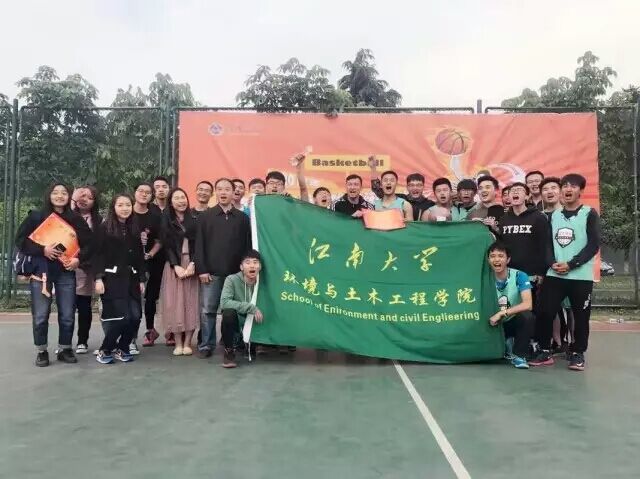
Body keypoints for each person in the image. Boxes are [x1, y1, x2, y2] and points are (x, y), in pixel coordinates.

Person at [530, 174, 601, 371]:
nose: (568, 189)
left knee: (580, 316)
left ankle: (578, 353)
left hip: (580, 276)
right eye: (565, 186)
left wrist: (572, 264)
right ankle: (545, 350)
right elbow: (547, 244)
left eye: (573, 186)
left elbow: (593, 244)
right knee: (545, 312)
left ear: (581, 191)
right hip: (555, 274)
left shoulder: (589, 213)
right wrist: (551, 263)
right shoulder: (553, 216)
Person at [15, 183, 92, 367]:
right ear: (49, 195)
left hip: (66, 272)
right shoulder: (36, 216)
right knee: (41, 315)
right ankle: (41, 351)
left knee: (67, 314)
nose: (59, 196)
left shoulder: (75, 219)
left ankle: (65, 348)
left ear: (69, 196)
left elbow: (90, 244)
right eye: (55, 193)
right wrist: (43, 250)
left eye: (64, 193)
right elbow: (21, 240)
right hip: (41, 273)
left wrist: (78, 260)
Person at [195, 178, 251, 358]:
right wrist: (202, 270)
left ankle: (234, 343)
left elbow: (247, 246)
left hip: (235, 274)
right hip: (211, 273)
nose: (223, 192)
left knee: (235, 310)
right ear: (215, 193)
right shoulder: (206, 216)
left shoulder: (242, 218)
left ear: (234, 192)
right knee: (208, 310)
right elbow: (199, 246)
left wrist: (245, 270)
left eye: (227, 189)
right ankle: (206, 345)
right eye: (219, 189)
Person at [93, 194, 146, 365]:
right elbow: (97, 255)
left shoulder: (134, 228)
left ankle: (122, 348)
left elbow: (139, 257)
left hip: (132, 280)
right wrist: (98, 278)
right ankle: (105, 349)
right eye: (120, 205)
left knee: (135, 316)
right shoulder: (104, 228)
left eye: (128, 205)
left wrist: (141, 279)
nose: (125, 208)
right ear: (113, 207)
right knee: (120, 318)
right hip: (112, 280)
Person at [160, 188, 199, 356]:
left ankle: (188, 342)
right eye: (176, 198)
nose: (181, 201)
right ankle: (177, 343)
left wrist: (193, 263)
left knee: (190, 302)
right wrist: (175, 265)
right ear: (171, 202)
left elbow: (199, 244)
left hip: (191, 265)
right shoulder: (166, 220)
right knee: (174, 303)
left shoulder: (195, 219)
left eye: (183, 197)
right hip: (173, 265)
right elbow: (166, 245)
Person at [499, 182, 552, 296]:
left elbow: (545, 246)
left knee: (530, 306)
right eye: (512, 191)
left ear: (527, 196)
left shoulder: (538, 217)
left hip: (532, 274)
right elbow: (501, 246)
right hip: (510, 273)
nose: (515, 192)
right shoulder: (503, 220)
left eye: (519, 190)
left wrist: (541, 272)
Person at [487, 242, 534, 369]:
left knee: (527, 316)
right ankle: (506, 344)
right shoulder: (484, 277)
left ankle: (520, 355)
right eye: (492, 256)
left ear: (508, 260)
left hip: (510, 320)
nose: (496, 259)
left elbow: (528, 304)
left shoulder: (520, 275)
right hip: (492, 323)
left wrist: (502, 313)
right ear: (488, 260)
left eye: (501, 256)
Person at [540, 176, 573, 355]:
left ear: (560, 192)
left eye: (553, 188)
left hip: (570, 269)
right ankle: (556, 342)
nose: (549, 192)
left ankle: (574, 345)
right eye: (545, 189)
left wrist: (571, 264)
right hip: (547, 269)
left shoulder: (572, 214)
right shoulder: (539, 216)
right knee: (548, 310)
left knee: (571, 309)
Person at [131, 182, 163, 349]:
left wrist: (150, 254)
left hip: (152, 262)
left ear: (152, 196)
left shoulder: (155, 216)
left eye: (148, 192)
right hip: (130, 263)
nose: (144, 194)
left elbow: (159, 241)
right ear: (135, 193)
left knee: (150, 298)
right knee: (133, 298)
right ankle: (131, 338)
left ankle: (150, 330)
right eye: (140, 191)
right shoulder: (127, 212)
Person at [71, 185, 103, 354]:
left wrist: (82, 260)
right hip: (66, 266)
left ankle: (82, 341)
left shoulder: (99, 221)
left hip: (86, 267)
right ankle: (65, 343)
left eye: (89, 197)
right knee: (67, 308)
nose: (84, 200)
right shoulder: (67, 216)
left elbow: (96, 245)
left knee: (84, 306)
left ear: (95, 202)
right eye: (81, 196)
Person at [220, 249, 264, 368]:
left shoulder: (264, 282)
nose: (252, 265)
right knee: (228, 313)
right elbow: (224, 303)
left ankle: (253, 344)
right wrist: (250, 308)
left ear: (260, 266)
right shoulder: (231, 279)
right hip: (239, 318)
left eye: (255, 262)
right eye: (248, 262)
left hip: (257, 320)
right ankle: (229, 351)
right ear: (241, 267)